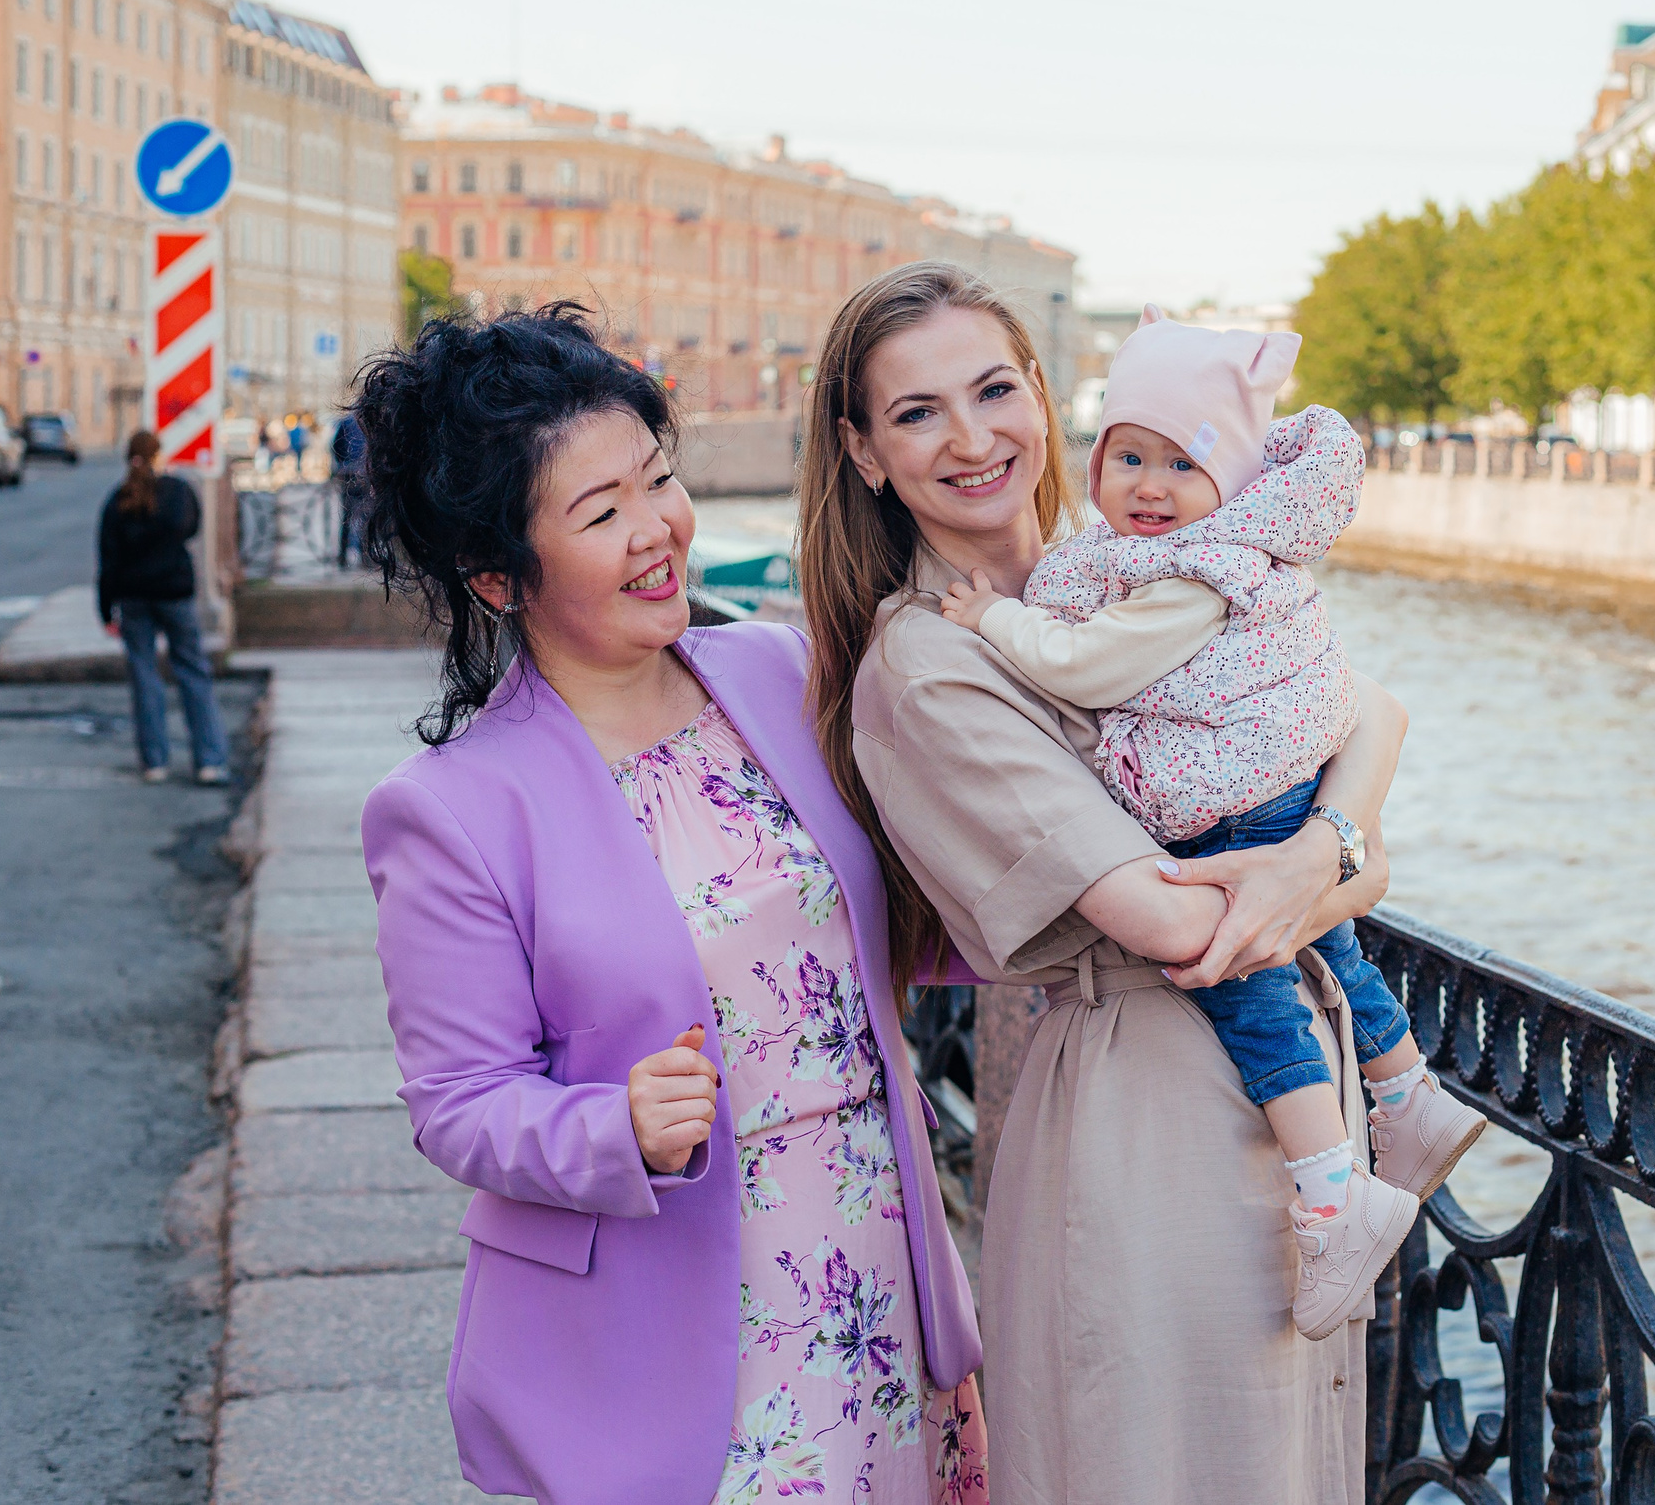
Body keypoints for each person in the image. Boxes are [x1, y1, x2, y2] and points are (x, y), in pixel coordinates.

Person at [353, 303, 985, 1505]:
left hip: (874, 1265)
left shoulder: (781, 669)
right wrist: (614, 1125)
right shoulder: (452, 808)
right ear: (498, 573)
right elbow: (456, 1103)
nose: (658, 531)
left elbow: (910, 922)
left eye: (658, 479)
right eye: (601, 513)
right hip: (676, 1332)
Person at [802, 262, 1409, 1504]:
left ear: (1041, 393)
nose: (972, 439)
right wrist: (1338, 841)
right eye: (917, 413)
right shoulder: (926, 670)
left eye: (991, 389)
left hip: (1285, 1107)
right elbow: (1181, 922)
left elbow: (1368, 715)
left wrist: (1323, 847)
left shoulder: (1122, 572)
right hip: (1152, 1115)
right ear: (863, 452)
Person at [934, 308, 1481, 1337]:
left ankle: (1330, 1191)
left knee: (1247, 981)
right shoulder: (1185, 555)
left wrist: (993, 619)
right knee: (1331, 940)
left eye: (1180, 464)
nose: (1147, 484)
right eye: (1128, 455)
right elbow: (1365, 806)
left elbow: (1081, 666)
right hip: (1274, 782)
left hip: (1228, 800)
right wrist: (1337, 855)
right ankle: (1406, 1088)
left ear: (1226, 484)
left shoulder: (1191, 570)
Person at [97, 430, 229, 786]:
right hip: (174, 593)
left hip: (133, 598)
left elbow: (108, 562)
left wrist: (106, 611)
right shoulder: (178, 491)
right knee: (192, 671)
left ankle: (155, 763)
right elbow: (192, 529)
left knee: (144, 676)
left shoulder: (117, 500)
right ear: (159, 456)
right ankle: (209, 762)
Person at [327, 410, 368, 568]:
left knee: (349, 517)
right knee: (362, 517)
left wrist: (341, 466)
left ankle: (345, 558)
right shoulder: (365, 421)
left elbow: (336, 446)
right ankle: (363, 558)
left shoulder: (347, 422)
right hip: (360, 474)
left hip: (351, 473)